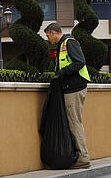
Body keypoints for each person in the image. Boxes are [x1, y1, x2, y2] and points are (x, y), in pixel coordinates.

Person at [44, 22, 91, 169]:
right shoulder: (61, 46)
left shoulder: (69, 42)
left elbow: (80, 62)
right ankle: (77, 155)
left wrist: (61, 73)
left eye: (47, 36)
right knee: (73, 122)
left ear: (53, 33)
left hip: (75, 88)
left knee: (74, 123)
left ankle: (83, 158)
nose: (48, 40)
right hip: (70, 88)